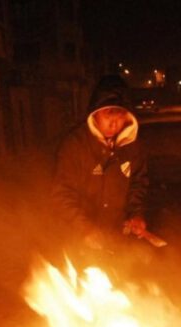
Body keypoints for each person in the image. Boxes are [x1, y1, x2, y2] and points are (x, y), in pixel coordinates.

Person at [51, 75, 150, 253]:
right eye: (107, 116)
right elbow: (62, 194)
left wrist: (136, 214)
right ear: (95, 113)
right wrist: (85, 228)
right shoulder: (75, 145)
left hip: (117, 238)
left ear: (127, 117)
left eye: (119, 117)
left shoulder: (133, 147)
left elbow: (138, 184)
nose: (114, 124)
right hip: (79, 240)